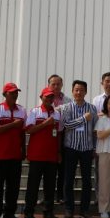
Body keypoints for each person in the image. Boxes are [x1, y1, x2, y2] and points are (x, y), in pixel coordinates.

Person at [0, 82, 27, 218]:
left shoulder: (21, 110)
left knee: (13, 187)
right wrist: (13, 124)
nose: (15, 95)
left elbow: (23, 132)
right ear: (5, 94)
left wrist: (23, 150)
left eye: (16, 92)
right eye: (12, 93)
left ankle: (9, 213)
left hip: (15, 154)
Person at [60, 80, 98, 218]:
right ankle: (69, 210)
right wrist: (83, 119)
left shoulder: (92, 108)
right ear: (72, 91)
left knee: (87, 180)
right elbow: (66, 125)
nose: (78, 92)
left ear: (85, 92)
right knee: (68, 179)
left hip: (87, 148)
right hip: (71, 147)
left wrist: (95, 147)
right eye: (76, 90)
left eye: (81, 90)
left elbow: (95, 129)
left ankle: (84, 210)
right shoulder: (67, 107)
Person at [24, 87, 61, 218]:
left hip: (51, 156)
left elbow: (59, 134)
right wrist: (45, 123)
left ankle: (48, 212)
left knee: (50, 187)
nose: (49, 99)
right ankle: (29, 212)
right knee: (33, 186)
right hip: (36, 156)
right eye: (47, 97)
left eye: (51, 97)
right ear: (41, 97)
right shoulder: (35, 111)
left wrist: (59, 152)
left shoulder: (57, 114)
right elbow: (29, 130)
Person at [47, 74, 71, 204]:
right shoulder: (44, 98)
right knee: (49, 168)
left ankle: (60, 195)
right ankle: (48, 196)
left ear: (62, 85)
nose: (56, 86)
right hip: (49, 137)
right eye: (53, 84)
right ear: (49, 85)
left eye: (58, 84)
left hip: (64, 135)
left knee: (63, 168)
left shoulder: (68, 100)